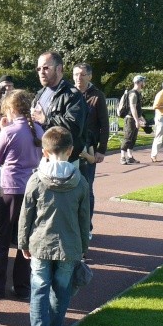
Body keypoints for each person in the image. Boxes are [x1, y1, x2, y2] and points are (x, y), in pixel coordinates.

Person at [19, 126, 90, 326]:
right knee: (61, 290)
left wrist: (23, 242)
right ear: (70, 151)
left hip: (40, 243)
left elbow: (26, 214)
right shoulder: (80, 182)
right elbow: (84, 218)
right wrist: (83, 247)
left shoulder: (36, 180)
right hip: (69, 245)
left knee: (39, 290)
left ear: (45, 152)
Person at [0, 90, 42, 299]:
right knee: (25, 239)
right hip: (31, 188)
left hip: (10, 189)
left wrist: (2, 132)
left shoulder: (10, 131)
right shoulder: (37, 129)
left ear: (10, 109)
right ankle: (22, 286)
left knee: (2, 239)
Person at [31, 51, 87, 166]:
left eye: (46, 68)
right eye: (39, 69)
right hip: (43, 158)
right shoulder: (39, 94)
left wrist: (46, 120)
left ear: (59, 68)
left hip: (65, 161)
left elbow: (74, 127)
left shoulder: (72, 95)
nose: (41, 72)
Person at [72, 63, 109, 228]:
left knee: (87, 187)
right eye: (75, 74)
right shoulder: (68, 93)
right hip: (70, 148)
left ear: (90, 76)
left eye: (82, 74)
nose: (78, 78)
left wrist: (101, 150)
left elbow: (104, 124)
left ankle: (87, 225)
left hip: (89, 148)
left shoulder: (97, 96)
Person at [120, 76, 147, 165]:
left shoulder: (138, 93)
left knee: (133, 138)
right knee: (128, 137)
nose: (144, 83)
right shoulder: (133, 94)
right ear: (139, 82)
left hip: (134, 118)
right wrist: (136, 120)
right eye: (143, 81)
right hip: (130, 119)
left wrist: (141, 118)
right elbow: (132, 107)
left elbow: (138, 108)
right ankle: (122, 157)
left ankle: (130, 156)